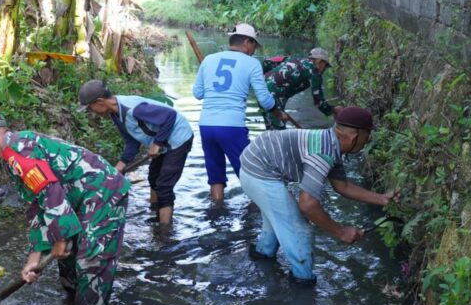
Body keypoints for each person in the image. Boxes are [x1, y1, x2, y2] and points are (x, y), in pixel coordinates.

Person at [0, 112, 130, 305]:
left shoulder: (19, 150)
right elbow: (38, 204)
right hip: (76, 198)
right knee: (67, 258)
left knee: (91, 259)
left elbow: (51, 192)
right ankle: (72, 301)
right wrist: (34, 257)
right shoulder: (13, 154)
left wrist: (60, 238)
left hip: (102, 191)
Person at [239, 106, 400, 285]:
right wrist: (340, 232)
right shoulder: (323, 153)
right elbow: (308, 205)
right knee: (300, 229)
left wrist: (382, 199)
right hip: (259, 171)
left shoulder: (331, 142)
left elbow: (342, 186)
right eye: (367, 135)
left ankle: (263, 254)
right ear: (355, 136)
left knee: (277, 219)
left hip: (257, 161)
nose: (367, 140)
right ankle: (303, 281)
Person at [192, 23, 287, 202]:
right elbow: (265, 100)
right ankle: (256, 214)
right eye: (253, 45)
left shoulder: (209, 59)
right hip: (232, 127)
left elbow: (197, 94)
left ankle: (217, 211)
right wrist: (278, 112)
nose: (253, 50)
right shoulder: (251, 63)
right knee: (251, 173)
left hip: (206, 126)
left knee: (215, 178)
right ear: (246, 42)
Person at [77, 80, 193, 225]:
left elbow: (170, 116)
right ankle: (155, 214)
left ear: (100, 102)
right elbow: (132, 142)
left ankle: (165, 232)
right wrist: (119, 167)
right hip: (162, 141)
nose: (91, 111)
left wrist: (157, 144)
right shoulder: (115, 114)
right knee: (153, 177)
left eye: (90, 107)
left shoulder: (133, 110)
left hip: (178, 138)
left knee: (164, 186)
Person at [261, 47, 341, 130]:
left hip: (261, 90)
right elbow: (319, 102)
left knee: (271, 129)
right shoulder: (314, 72)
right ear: (320, 62)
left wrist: (263, 79)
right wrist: (333, 110)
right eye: (326, 65)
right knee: (278, 133)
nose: (325, 69)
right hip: (273, 98)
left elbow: (267, 62)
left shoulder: (293, 60)